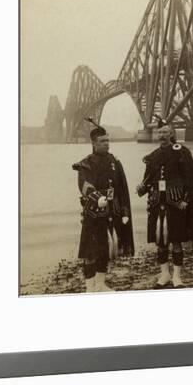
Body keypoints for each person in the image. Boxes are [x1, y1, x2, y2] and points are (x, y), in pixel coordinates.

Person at [136, 117, 193, 288]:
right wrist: (141, 188)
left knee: (177, 241)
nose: (162, 135)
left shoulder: (181, 152)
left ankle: (177, 277)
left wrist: (186, 200)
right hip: (157, 204)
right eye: (159, 132)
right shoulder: (153, 156)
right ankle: (164, 275)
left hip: (176, 204)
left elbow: (192, 179)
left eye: (165, 131)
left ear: (172, 133)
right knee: (161, 242)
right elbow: (148, 180)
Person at [72, 118, 135, 293]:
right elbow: (84, 184)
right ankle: (89, 287)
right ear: (93, 143)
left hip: (111, 212)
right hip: (93, 214)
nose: (107, 144)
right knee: (90, 252)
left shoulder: (115, 162)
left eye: (108, 140)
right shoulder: (86, 163)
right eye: (102, 141)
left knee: (105, 249)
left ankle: (100, 284)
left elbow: (122, 188)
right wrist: (96, 197)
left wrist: (124, 211)